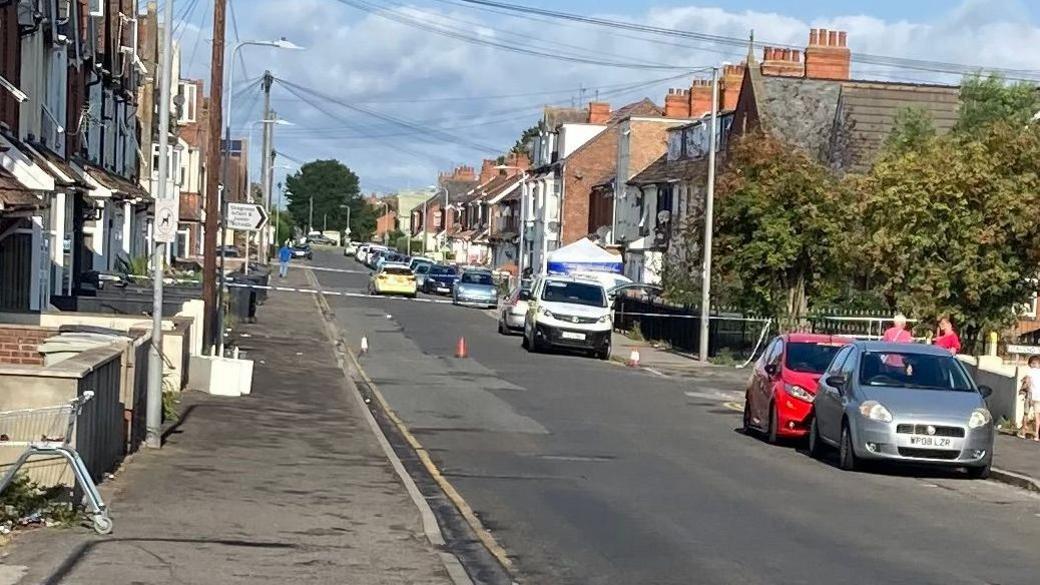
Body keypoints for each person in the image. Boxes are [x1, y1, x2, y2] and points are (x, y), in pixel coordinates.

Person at [1019, 355, 1040, 441]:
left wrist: (1022, 388)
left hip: (1030, 395)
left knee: (1026, 414)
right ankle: (1036, 435)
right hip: (1038, 397)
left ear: (1032, 364)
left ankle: (1023, 432)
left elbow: (1026, 381)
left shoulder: (1030, 371)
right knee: (1037, 415)